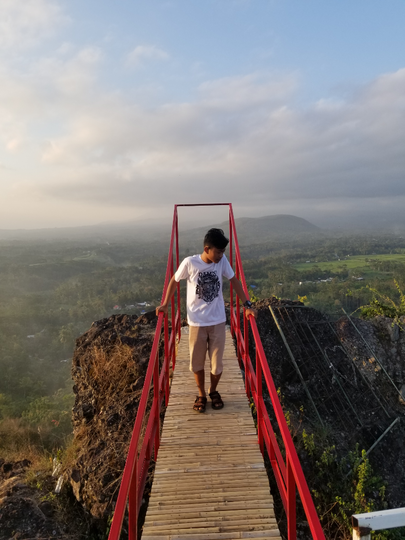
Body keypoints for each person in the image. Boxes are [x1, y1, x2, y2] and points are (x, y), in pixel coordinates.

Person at [156, 228, 257, 413]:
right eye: (218, 251)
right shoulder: (190, 263)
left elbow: (234, 281)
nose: (221, 255)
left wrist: (247, 304)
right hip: (196, 322)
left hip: (218, 321)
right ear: (207, 248)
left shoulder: (222, 261)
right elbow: (174, 280)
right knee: (197, 363)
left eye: (223, 252)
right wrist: (165, 304)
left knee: (217, 364)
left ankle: (213, 390)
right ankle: (201, 394)